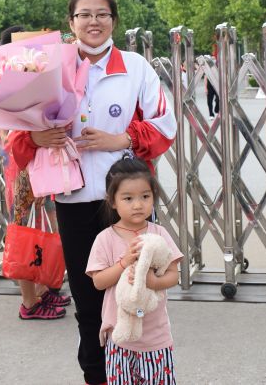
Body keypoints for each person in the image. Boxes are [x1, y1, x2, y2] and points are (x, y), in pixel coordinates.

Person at [9, 0, 176, 385]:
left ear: (113, 20)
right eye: (84, 14)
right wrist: (36, 138)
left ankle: (142, 372)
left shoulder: (135, 67)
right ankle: (98, 376)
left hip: (127, 202)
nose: (93, 21)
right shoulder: (46, 68)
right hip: (75, 201)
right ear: (71, 23)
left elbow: (164, 125)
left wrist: (121, 140)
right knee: (88, 297)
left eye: (101, 14)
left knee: (138, 291)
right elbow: (17, 139)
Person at [0, 25, 72, 320]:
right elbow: (7, 138)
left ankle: (42, 289)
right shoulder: (5, 88)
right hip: (22, 169)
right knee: (25, 231)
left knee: (44, 229)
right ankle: (29, 301)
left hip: (41, 165)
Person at [86, 157, 182, 385]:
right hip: (119, 337)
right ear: (112, 201)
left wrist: (152, 281)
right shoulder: (105, 239)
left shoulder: (158, 234)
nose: (138, 205)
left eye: (145, 197)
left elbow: (173, 274)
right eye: (128, 198)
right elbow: (98, 282)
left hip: (156, 336)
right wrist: (123, 262)